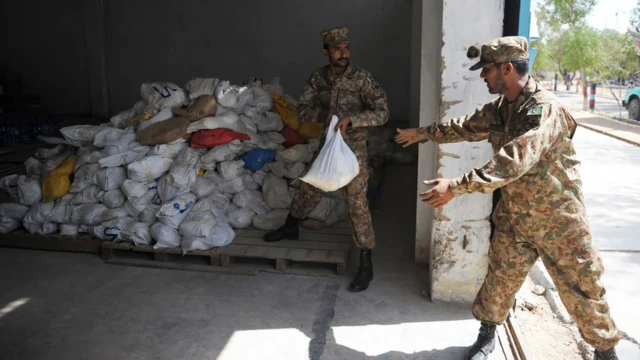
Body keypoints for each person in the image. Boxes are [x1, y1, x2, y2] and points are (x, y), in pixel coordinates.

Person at [395, 36, 620, 360]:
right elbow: (466, 126)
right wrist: (424, 134)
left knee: (584, 291)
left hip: (559, 222)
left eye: (487, 70)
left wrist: (457, 186)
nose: (483, 76)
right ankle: (486, 337)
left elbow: (514, 159)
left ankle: (606, 353)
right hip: (516, 218)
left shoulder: (544, 109)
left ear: (507, 69)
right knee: (499, 280)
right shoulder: (502, 109)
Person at [263, 27, 389, 292]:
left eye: (346, 48)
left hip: (353, 152)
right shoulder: (318, 78)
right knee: (310, 188)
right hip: (327, 146)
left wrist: (352, 119)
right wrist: (323, 117)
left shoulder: (362, 78)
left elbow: (382, 112)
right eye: (337, 49)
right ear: (326, 52)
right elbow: (304, 108)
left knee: (356, 204)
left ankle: (366, 262)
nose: (343, 54)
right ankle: (290, 226)